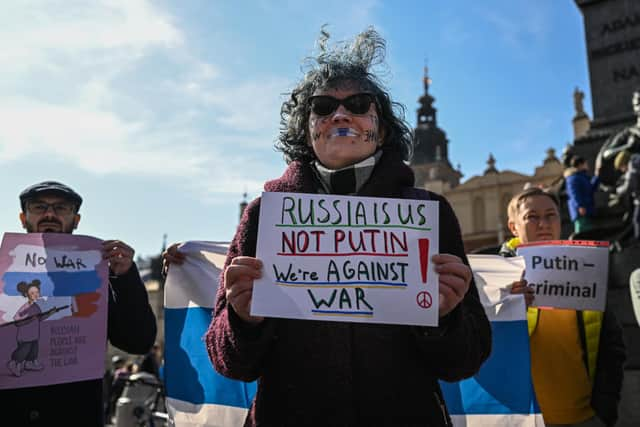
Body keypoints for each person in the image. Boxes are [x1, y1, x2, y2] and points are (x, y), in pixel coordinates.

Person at [186, 28, 490, 426]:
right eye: (324, 106)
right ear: (306, 129)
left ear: (380, 128)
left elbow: (465, 360)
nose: (340, 115)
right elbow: (229, 362)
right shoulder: (265, 215)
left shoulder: (428, 212)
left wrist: (446, 318)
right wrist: (243, 320)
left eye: (359, 104)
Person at [2, 181, 157, 426]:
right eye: (39, 207)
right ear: (23, 217)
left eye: (61, 208)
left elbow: (139, 341)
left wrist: (125, 277)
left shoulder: (99, 276)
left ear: (76, 220)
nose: (50, 214)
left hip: (74, 414)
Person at [501, 187, 625, 427]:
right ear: (513, 226)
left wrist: (606, 409)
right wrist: (507, 310)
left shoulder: (587, 268)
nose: (543, 224)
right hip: (520, 420)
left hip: (585, 419)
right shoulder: (496, 277)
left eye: (551, 215)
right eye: (532, 217)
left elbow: (612, 346)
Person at [564, 156, 600, 234]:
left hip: (587, 209)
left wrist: (597, 176)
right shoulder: (573, 178)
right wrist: (580, 206)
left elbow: (590, 189)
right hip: (581, 212)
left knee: (588, 233)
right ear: (580, 165)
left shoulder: (581, 176)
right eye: (586, 163)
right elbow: (574, 194)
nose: (587, 165)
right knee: (582, 234)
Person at [614, 150, 640, 241]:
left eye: (621, 167)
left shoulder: (632, 167)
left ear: (623, 163)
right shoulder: (637, 161)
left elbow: (629, 186)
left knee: (637, 220)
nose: (622, 170)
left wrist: (618, 191)